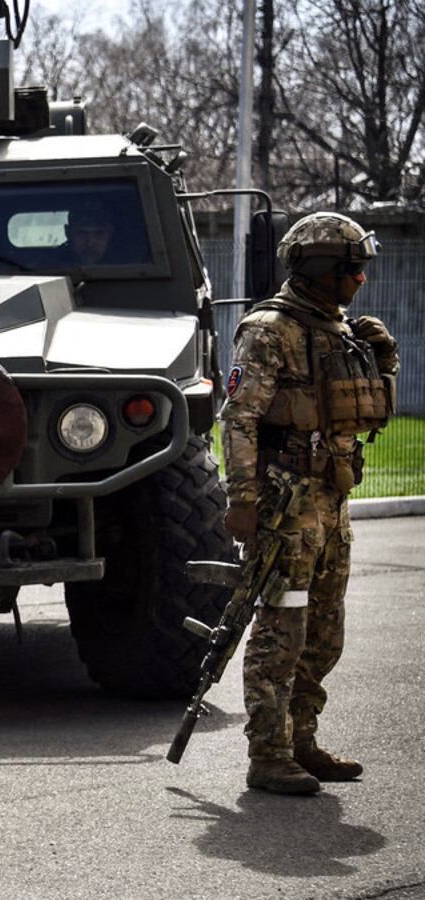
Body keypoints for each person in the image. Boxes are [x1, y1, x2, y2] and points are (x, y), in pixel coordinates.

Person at [220, 211, 397, 795]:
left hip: (331, 500)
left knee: (324, 630)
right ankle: (267, 755)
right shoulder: (270, 330)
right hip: (286, 505)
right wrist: (242, 499)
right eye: (353, 270)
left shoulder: (339, 329)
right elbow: (240, 418)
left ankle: (302, 739)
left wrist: (381, 365)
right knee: (281, 630)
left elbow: (355, 413)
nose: (361, 280)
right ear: (324, 270)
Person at [60, 201, 114, 265]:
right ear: (68, 232)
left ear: (110, 233)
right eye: (82, 233)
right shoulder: (49, 265)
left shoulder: (123, 264)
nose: (90, 243)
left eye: (99, 233)